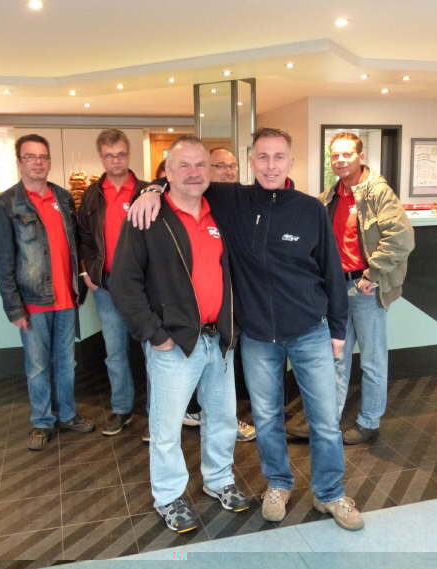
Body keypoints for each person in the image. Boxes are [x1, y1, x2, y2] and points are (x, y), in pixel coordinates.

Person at [130, 127, 364, 531]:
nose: (270, 166)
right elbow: (185, 177)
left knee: (325, 420)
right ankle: (278, 484)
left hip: (310, 330)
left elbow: (331, 269)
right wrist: (151, 190)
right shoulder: (230, 199)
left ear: (291, 161)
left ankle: (330, 493)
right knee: (267, 418)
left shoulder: (310, 209)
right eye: (263, 157)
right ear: (250, 161)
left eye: (279, 157)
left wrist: (338, 330)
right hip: (256, 336)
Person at [109, 135, 249, 533]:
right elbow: (123, 282)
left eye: (201, 165)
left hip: (219, 339)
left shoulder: (220, 212)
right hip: (173, 342)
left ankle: (219, 480)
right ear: (166, 173)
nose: (193, 173)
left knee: (222, 419)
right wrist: (155, 334)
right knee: (166, 429)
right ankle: (169, 497)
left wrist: (231, 326)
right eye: (183, 165)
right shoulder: (147, 217)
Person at [291, 132, 415, 444]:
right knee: (336, 358)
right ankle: (326, 421)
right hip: (335, 290)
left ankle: (369, 422)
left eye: (347, 154)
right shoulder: (329, 197)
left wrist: (372, 275)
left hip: (365, 290)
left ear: (360, 156)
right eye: (335, 155)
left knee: (372, 361)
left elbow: (402, 239)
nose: (340, 160)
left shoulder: (377, 192)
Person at [0, 134, 94, 450]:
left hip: (66, 299)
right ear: (19, 162)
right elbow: (2, 260)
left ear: (49, 161)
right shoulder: (6, 203)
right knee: (37, 367)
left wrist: (80, 282)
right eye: (30, 157)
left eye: (43, 156)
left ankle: (67, 414)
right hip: (32, 302)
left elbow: (74, 245)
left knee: (66, 363)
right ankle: (41, 421)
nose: (38, 162)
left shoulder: (63, 197)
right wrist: (14, 307)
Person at [183, 146, 256, 443]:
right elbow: (164, 182)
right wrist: (150, 190)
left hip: (238, 296)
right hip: (202, 304)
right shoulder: (197, 199)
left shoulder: (242, 198)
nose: (228, 171)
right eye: (220, 165)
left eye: (232, 165)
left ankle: (222, 417)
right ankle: (201, 413)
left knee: (227, 363)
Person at [78, 129, 148, 436]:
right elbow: (83, 238)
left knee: (153, 352)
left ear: (128, 154)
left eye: (120, 154)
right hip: (106, 287)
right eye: (109, 156)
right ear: (101, 157)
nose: (115, 160)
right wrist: (87, 273)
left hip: (144, 288)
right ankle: (122, 409)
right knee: (115, 352)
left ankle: (157, 413)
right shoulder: (92, 195)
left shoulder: (147, 192)